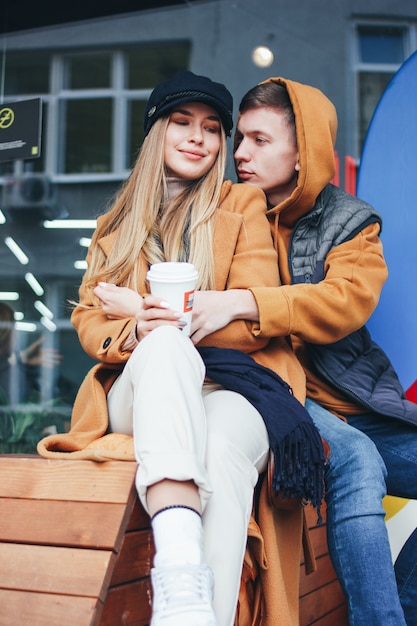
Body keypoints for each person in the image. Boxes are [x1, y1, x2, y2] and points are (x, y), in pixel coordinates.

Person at [37, 71, 325, 626]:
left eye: (213, 129)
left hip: (233, 386)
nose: (199, 138)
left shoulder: (240, 204)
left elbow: (253, 316)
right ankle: (178, 557)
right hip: (143, 385)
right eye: (181, 123)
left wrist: (156, 309)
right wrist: (139, 329)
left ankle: (188, 605)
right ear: (155, 134)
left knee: (219, 450)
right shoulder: (111, 226)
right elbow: (88, 319)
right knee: (166, 344)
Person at [191, 76, 417, 625]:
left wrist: (245, 302)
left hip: (356, 401)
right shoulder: (224, 211)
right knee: (356, 462)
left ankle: (405, 609)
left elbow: (344, 302)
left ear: (302, 153)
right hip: (277, 391)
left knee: (360, 449)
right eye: (238, 139)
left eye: (260, 141)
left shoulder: (351, 221)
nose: (239, 153)